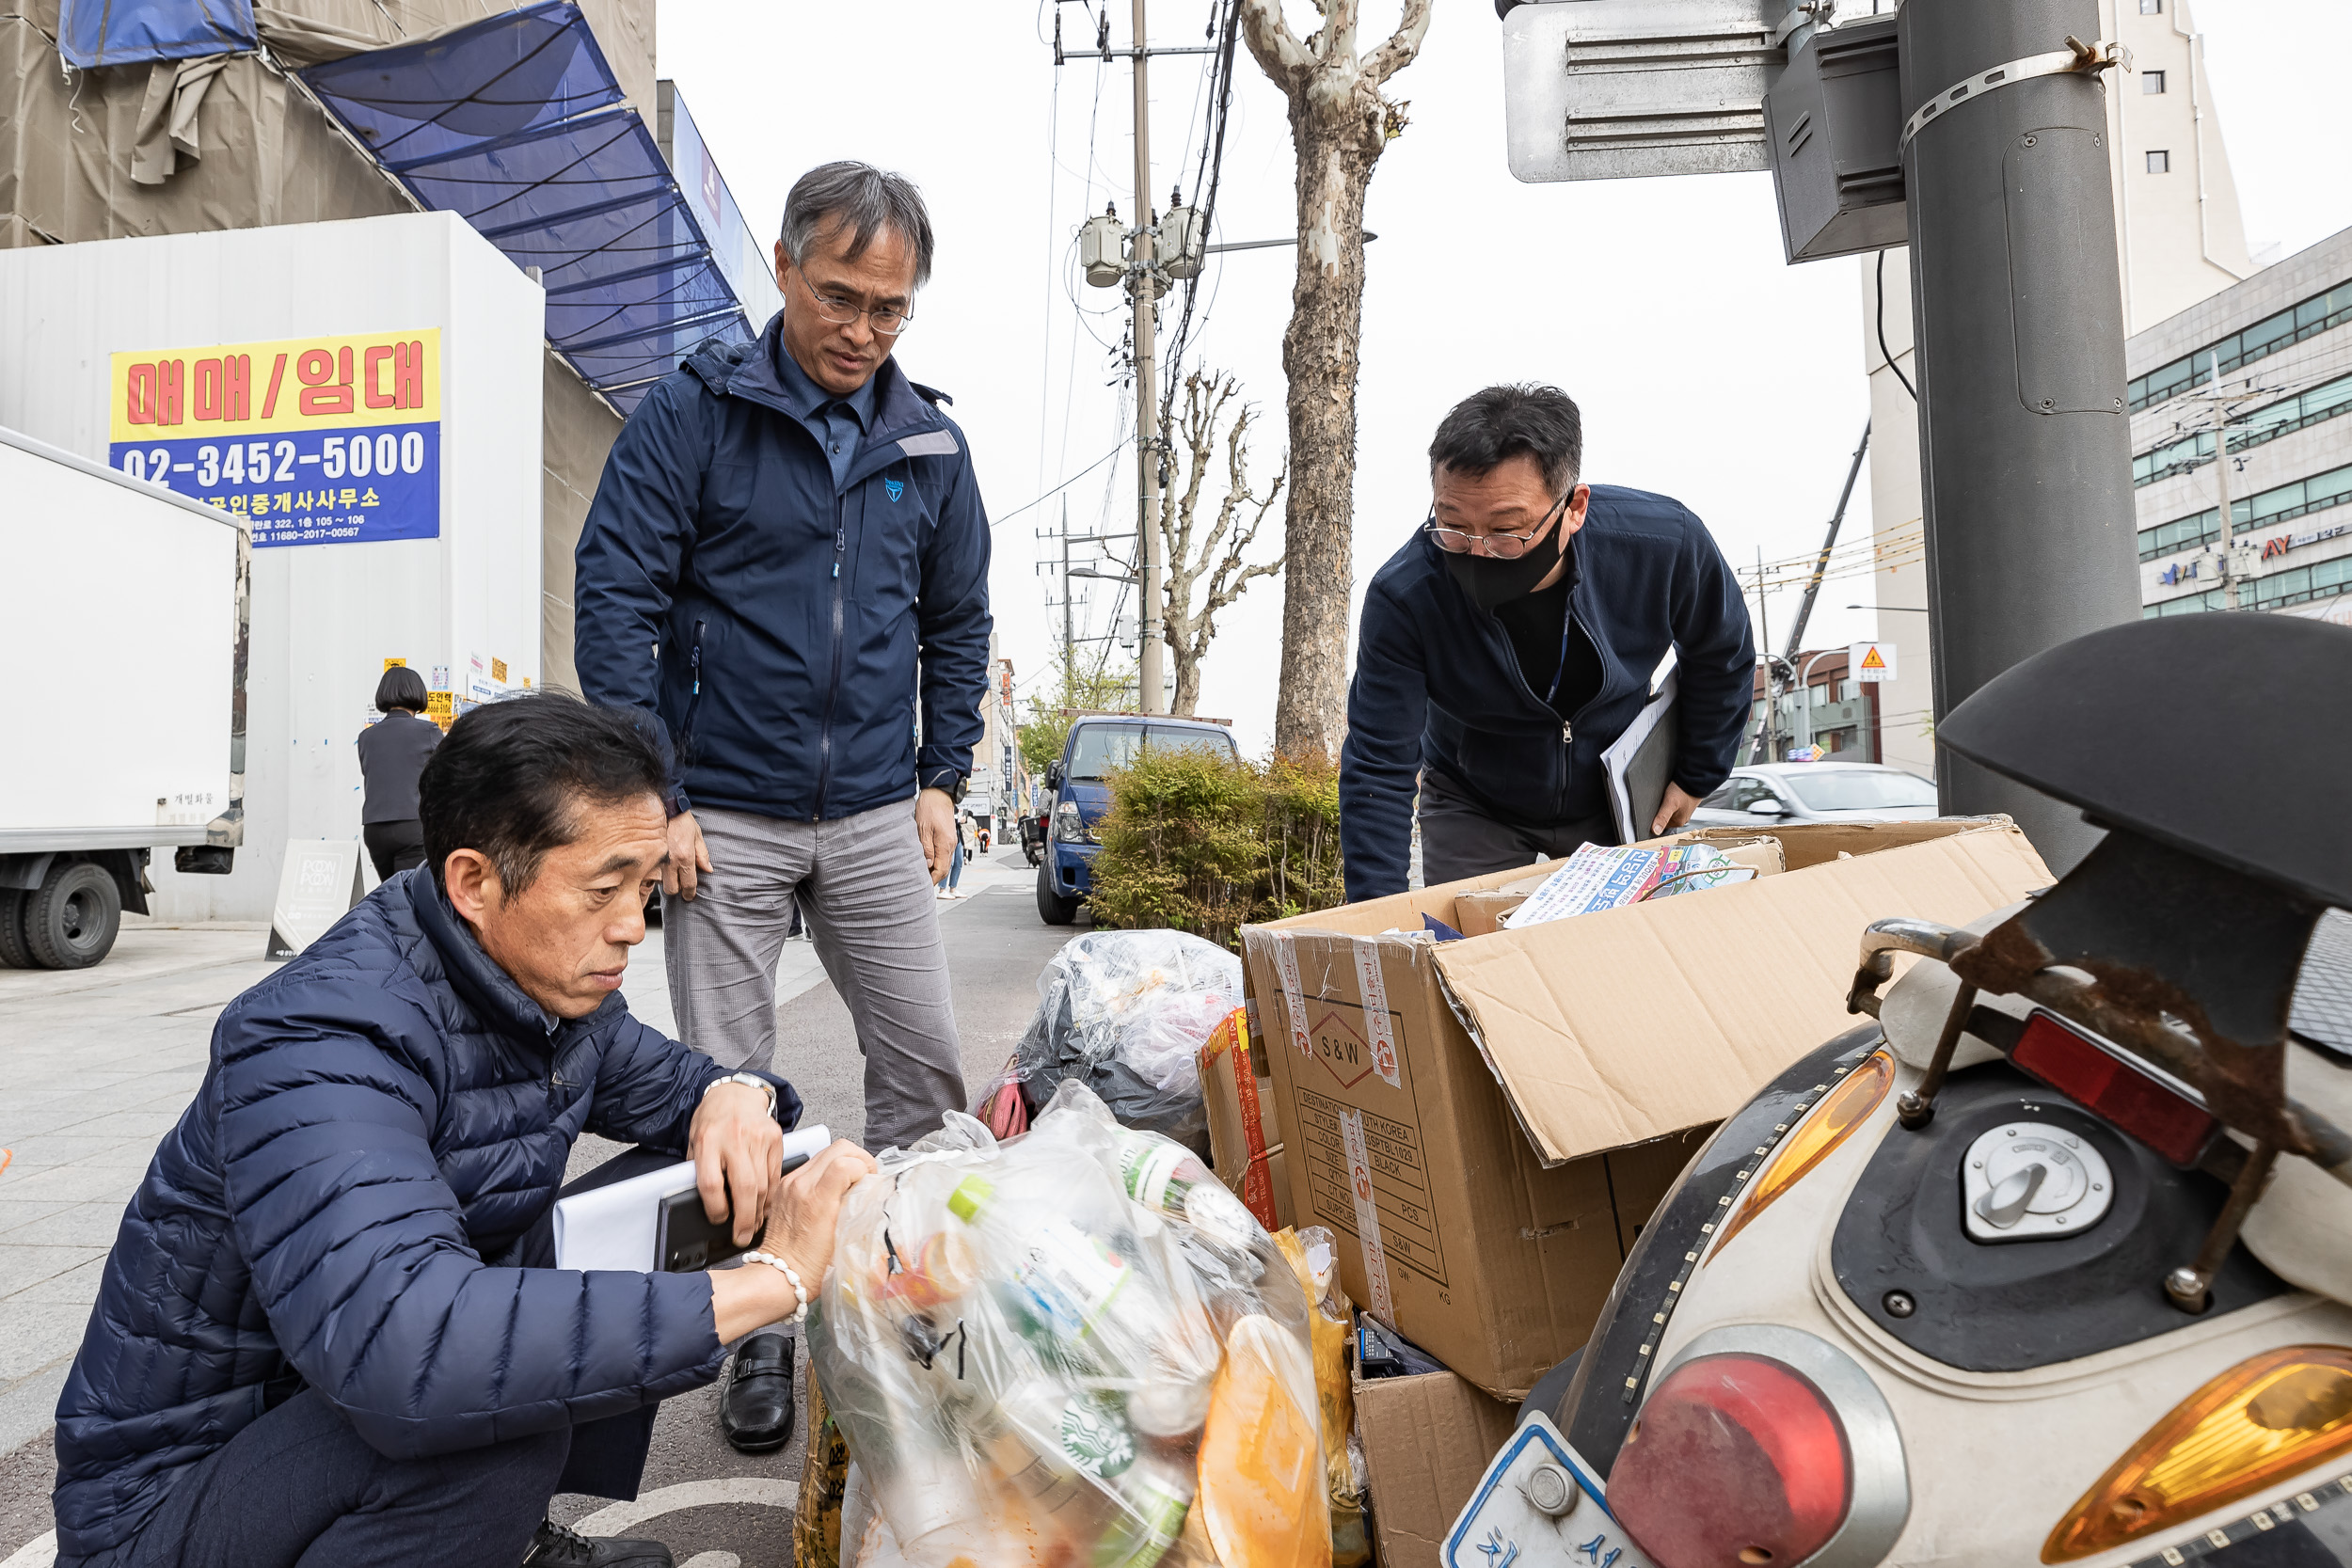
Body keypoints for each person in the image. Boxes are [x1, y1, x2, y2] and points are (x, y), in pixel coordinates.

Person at [49, 694, 877, 1568]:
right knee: (494, 1415)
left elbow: (686, 1088)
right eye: (604, 889)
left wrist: (738, 1091)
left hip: (320, 1418)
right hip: (171, 1500)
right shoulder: (323, 1036)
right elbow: (409, 1349)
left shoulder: (554, 991)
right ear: (475, 882)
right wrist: (773, 1279)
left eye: (643, 887)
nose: (633, 926)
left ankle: (494, 1539)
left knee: (642, 1205)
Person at [573, 160, 988, 1451]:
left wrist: (942, 774)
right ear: (786, 269)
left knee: (921, 1064)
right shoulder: (690, 417)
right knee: (736, 1093)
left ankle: (915, 1309)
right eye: (842, 296)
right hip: (724, 819)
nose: (863, 330)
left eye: (892, 308)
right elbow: (616, 600)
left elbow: (957, 620)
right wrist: (660, 798)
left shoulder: (929, 440)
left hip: (872, 805)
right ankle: (758, 1334)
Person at [1339, 384, 1755, 900]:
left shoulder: (1664, 546)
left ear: (1574, 507)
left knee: (1618, 954)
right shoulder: (1406, 596)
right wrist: (1374, 916)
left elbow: (1723, 652)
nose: (1478, 553)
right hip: (1474, 796)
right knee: (1471, 952)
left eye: (1506, 531)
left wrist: (1698, 772)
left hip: (1615, 790)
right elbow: (1378, 762)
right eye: (1453, 527)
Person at [356, 665, 440, 879]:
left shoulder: (366, 737)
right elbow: (450, 774)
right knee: (410, 896)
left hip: (374, 829)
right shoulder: (428, 731)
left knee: (392, 892)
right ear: (418, 692)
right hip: (412, 825)